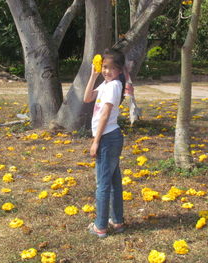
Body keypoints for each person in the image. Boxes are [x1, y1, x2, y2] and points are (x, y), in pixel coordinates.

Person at [83, 48, 125, 238]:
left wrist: (95, 141)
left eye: (112, 68)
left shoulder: (115, 85)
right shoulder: (106, 84)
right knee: (114, 181)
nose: (107, 71)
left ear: (119, 70)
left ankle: (100, 226)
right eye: (105, 67)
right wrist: (93, 75)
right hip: (111, 137)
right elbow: (87, 98)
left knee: (103, 184)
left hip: (107, 138)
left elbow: (105, 115)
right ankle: (117, 221)